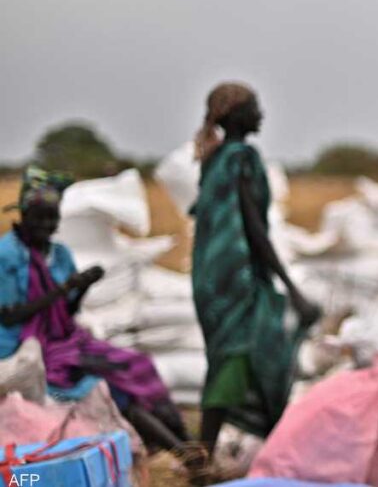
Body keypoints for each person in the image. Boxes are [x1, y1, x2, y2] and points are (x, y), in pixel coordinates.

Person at [0, 166, 189, 451]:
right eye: (39, 217)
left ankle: (189, 449)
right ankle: (186, 455)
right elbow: (10, 315)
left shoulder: (59, 253)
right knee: (106, 388)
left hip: (64, 339)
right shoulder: (8, 255)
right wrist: (62, 290)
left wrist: (83, 286)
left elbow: (67, 311)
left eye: (52, 218)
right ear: (24, 214)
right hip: (26, 347)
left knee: (136, 366)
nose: (46, 225)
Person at [190, 82, 321, 456]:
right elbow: (252, 228)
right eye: (254, 107)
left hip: (213, 280)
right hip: (236, 279)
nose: (261, 114)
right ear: (234, 115)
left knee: (236, 357)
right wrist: (292, 289)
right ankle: (213, 454)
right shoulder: (239, 157)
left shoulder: (213, 159)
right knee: (245, 355)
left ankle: (265, 445)